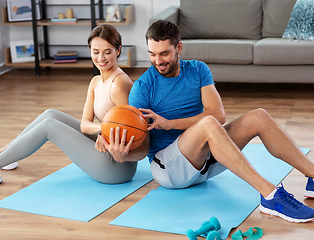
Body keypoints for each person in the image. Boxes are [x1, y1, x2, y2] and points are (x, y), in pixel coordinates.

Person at [107, 20, 314, 223]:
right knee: (208, 124)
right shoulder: (143, 88)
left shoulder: (198, 70)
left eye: (164, 53)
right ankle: (270, 195)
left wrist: (169, 123)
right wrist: (124, 155)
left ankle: (312, 176)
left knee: (258, 116)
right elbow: (143, 149)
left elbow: (218, 115)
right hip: (169, 169)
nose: (158, 61)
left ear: (179, 47)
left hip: (206, 159)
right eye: (152, 54)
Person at [0, 24, 137, 186]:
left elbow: (130, 129)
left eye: (107, 52)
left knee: (49, 127)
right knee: (50, 114)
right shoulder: (96, 81)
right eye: (95, 51)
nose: (101, 58)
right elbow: (84, 125)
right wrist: (103, 128)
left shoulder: (119, 84)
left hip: (118, 166)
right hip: (102, 147)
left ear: (118, 50)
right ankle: (4, 154)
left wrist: (104, 130)